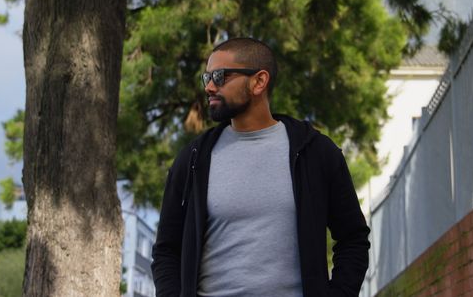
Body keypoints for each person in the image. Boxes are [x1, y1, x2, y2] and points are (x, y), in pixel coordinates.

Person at [151, 37, 370, 297]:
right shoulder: (193, 159)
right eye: (207, 77)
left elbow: (352, 239)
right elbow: (166, 250)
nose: (209, 86)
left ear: (259, 82)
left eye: (220, 76)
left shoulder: (316, 153)